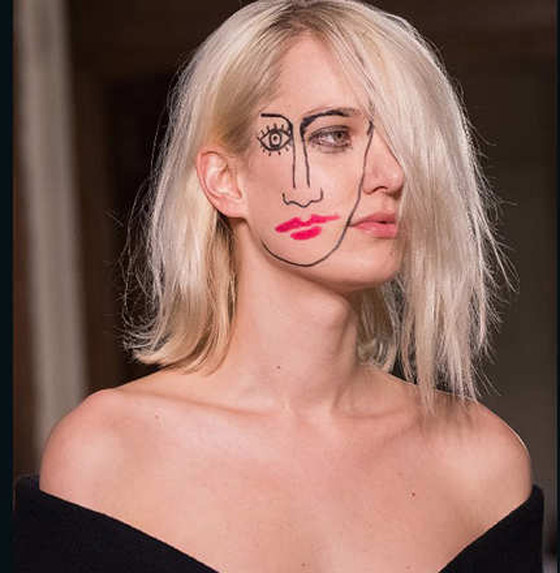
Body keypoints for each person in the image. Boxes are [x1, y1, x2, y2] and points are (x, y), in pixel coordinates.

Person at [14, 1, 544, 571]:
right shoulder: (109, 455)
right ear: (226, 181)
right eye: (334, 135)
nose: (392, 175)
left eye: (405, 141)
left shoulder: (482, 467)